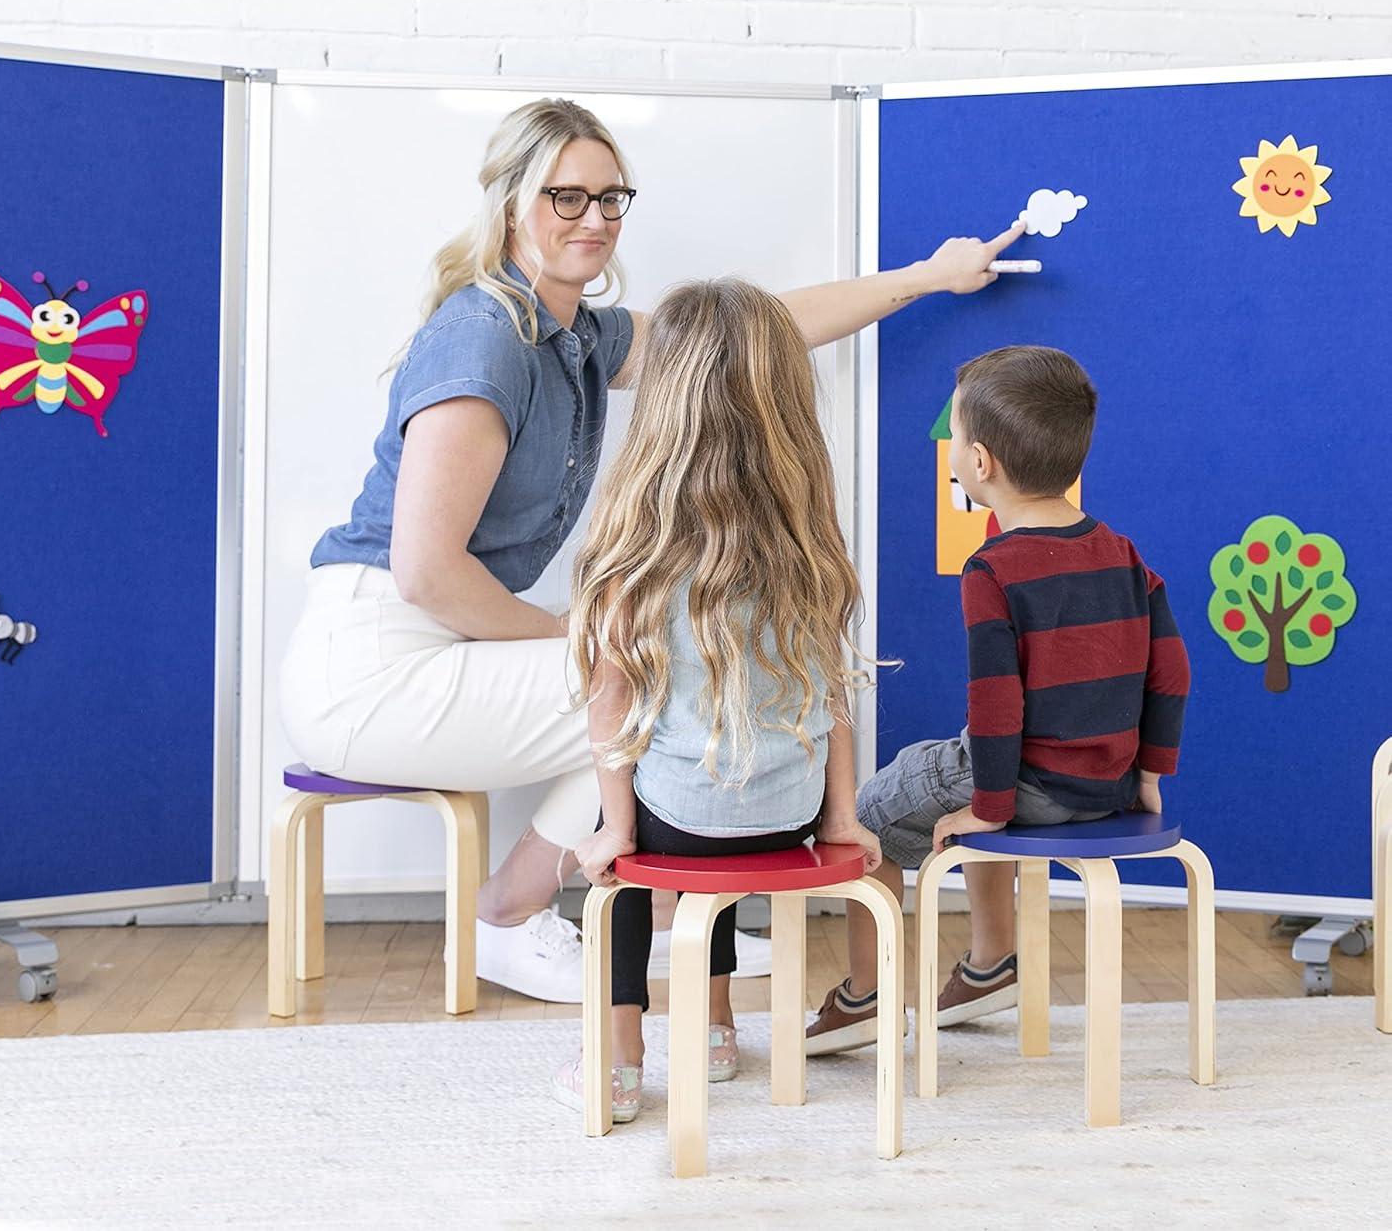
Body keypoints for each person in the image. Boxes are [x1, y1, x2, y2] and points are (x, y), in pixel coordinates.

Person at [278, 96, 1023, 1003]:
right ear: (512, 203)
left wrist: (929, 277)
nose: (594, 219)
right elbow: (427, 573)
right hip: (371, 665)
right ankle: (527, 914)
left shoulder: (575, 336)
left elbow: (757, 327)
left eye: (610, 197)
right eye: (566, 197)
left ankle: (659, 911)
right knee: (650, 672)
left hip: (432, 647)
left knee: (653, 664)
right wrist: (576, 634)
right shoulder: (486, 338)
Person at [551, 279, 884, 1120]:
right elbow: (833, 696)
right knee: (724, 793)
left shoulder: (639, 552)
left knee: (629, 863)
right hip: (793, 812)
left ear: (666, 404)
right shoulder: (809, 543)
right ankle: (717, 1031)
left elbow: (613, 714)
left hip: (684, 816)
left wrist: (618, 833)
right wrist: (841, 819)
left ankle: (620, 1058)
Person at [807, 345, 1190, 1052]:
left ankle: (865, 995)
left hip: (1030, 781)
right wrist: (1148, 775)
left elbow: (996, 705)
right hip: (1104, 785)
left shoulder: (993, 569)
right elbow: (1170, 672)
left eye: (954, 438)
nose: (950, 451)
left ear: (980, 464)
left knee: (865, 818)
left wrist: (987, 807)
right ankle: (989, 965)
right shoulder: (1126, 554)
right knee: (968, 773)